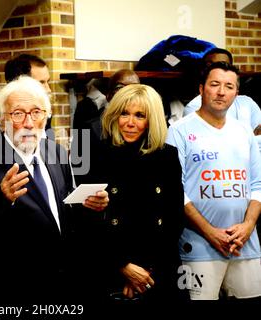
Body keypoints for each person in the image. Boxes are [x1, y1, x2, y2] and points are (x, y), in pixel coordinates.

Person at [0, 75, 108, 301]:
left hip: (61, 286)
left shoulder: (55, 153)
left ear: (46, 117)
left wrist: (89, 206)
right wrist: (0, 200)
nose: (28, 123)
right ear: (1, 120)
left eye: (36, 112)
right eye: (17, 114)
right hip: (12, 291)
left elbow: (61, 215)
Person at [74, 84, 186, 301]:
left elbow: (175, 218)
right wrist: (122, 266)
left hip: (157, 271)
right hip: (109, 271)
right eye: (124, 113)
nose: (130, 123)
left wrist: (144, 273)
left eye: (139, 115)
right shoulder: (97, 155)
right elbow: (86, 221)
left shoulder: (167, 156)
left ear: (151, 120)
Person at [167, 62, 261, 300]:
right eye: (215, 84)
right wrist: (210, 233)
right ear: (201, 89)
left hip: (245, 245)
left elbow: (257, 186)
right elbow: (175, 192)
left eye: (229, 86)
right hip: (196, 248)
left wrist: (248, 226)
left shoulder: (244, 132)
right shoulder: (178, 131)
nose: (221, 92)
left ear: (236, 94)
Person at [182, 48, 261, 152]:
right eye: (213, 66)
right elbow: (210, 147)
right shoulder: (194, 107)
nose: (220, 71)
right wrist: (251, 139)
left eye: (224, 66)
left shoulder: (247, 102)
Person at [0, 54, 54, 151]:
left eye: (47, 82)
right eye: (41, 83)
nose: (48, 89)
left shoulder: (45, 124)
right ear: (17, 84)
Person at [73, 70, 140, 130]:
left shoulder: (145, 123)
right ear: (108, 96)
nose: (127, 93)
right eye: (119, 88)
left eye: (134, 88)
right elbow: (81, 142)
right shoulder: (93, 127)